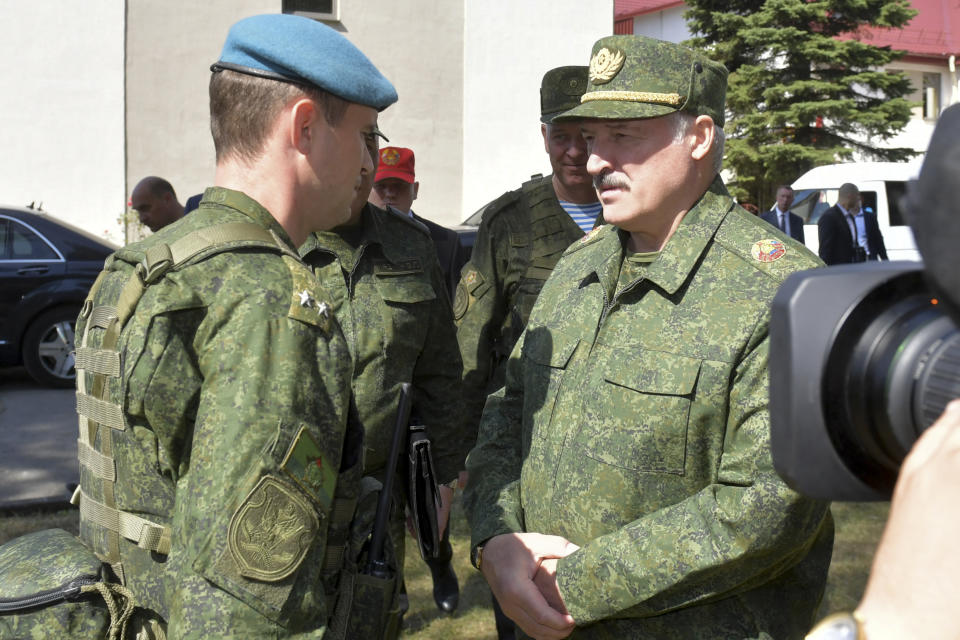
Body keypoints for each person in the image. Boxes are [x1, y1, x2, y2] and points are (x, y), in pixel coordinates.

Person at [0, 14, 397, 638]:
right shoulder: (269, 301)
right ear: (305, 127)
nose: (369, 163)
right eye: (366, 135)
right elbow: (246, 603)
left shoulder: (145, 265)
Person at [464, 35, 832, 639]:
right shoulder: (577, 268)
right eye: (589, 138)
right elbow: (507, 415)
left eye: (622, 136)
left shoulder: (783, 292)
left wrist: (570, 583)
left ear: (699, 137)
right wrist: (495, 537)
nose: (595, 160)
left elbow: (766, 512)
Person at [454, 64, 597, 640]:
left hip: (615, 448)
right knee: (529, 612)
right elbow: (470, 344)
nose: (575, 150)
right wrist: (456, 458)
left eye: (587, 135)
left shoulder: (641, 214)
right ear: (542, 136)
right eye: (561, 134)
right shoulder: (511, 223)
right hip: (526, 453)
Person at [299, 138, 467, 624]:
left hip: (379, 498)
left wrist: (442, 482)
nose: (364, 160)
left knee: (375, 620)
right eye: (352, 141)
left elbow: (440, 369)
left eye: (372, 141)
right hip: (292, 500)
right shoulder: (278, 239)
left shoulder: (411, 245)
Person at [369, 146, 467, 299]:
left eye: (398, 185)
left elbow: (458, 309)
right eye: (381, 186)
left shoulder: (445, 242)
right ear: (368, 188)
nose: (389, 193)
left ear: (415, 190)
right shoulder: (352, 238)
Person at [817, 182, 888, 264]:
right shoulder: (829, 217)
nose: (859, 199)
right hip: (838, 271)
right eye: (857, 196)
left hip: (854, 268)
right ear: (850, 196)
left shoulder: (849, 217)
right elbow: (825, 251)